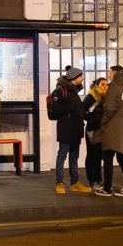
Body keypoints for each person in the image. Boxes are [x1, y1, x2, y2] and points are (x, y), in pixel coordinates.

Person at [48, 66, 92, 195]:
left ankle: (75, 183)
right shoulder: (61, 90)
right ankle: (59, 183)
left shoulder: (73, 91)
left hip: (76, 129)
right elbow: (56, 109)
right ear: (74, 78)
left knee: (74, 157)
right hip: (66, 129)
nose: (82, 78)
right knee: (62, 155)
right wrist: (72, 107)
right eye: (81, 76)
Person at [97, 65, 123, 198]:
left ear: (115, 73)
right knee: (122, 157)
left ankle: (107, 188)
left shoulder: (114, 87)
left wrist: (103, 124)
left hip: (112, 127)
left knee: (107, 157)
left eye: (110, 72)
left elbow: (109, 109)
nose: (108, 74)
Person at [82, 77, 108, 192]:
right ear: (96, 86)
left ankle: (98, 180)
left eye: (107, 85)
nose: (105, 87)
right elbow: (82, 112)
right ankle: (92, 180)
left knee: (99, 155)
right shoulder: (90, 97)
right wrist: (92, 119)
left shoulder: (105, 98)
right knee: (92, 155)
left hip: (102, 130)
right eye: (103, 84)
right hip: (92, 130)